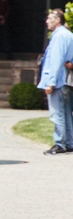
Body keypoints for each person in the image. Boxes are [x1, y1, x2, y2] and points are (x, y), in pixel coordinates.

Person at [37, 9, 73, 154]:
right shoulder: (69, 35)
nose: (47, 21)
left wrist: (50, 82)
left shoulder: (59, 36)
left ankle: (60, 143)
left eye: (49, 18)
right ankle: (69, 142)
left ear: (58, 20)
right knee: (66, 112)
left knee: (57, 113)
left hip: (58, 81)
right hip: (67, 80)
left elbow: (56, 60)